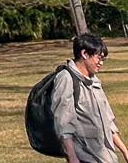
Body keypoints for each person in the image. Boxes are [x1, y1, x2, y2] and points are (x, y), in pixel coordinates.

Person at [51, 34, 128, 163]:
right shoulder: (66, 79)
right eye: (99, 58)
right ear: (85, 54)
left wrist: (124, 151)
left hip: (106, 156)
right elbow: (63, 124)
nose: (101, 63)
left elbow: (108, 122)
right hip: (85, 157)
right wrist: (72, 157)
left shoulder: (94, 81)